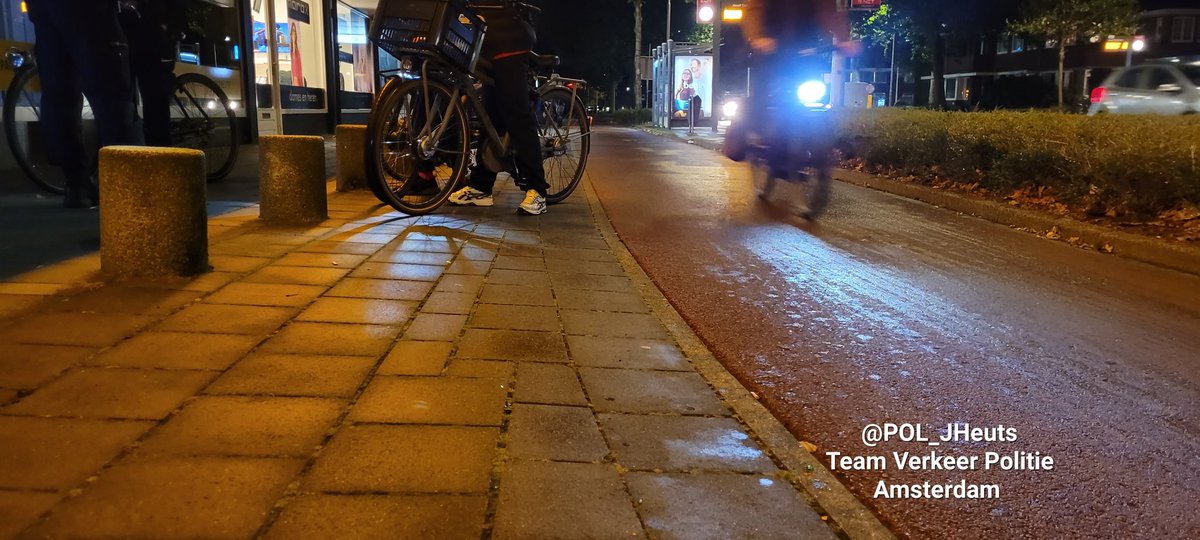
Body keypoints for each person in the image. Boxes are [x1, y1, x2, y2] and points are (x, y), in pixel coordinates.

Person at [25, 0, 139, 208]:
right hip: (87, 8)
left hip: (42, 9)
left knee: (59, 94)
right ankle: (124, 185)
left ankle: (76, 184)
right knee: (110, 90)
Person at [444, 0, 549, 216]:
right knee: (489, 114)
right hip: (484, 39)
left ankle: (537, 190)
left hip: (511, 35)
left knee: (517, 112)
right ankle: (481, 187)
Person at [725, 0, 857, 162]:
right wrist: (757, 37)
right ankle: (749, 132)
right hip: (770, 50)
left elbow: (828, 10)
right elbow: (754, 9)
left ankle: (810, 140)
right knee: (763, 93)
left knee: (812, 92)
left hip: (803, 51)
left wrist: (843, 39)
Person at [118, 0, 186, 147]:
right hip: (134, 31)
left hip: (150, 33)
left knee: (153, 97)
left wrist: (168, 27)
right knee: (132, 98)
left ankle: (159, 153)